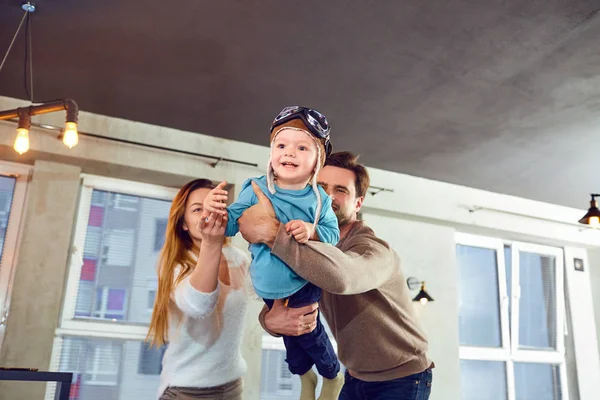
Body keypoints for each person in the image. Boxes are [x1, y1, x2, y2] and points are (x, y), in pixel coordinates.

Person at [237, 151, 434, 400]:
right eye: (320, 186)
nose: (329, 196)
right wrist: (271, 321)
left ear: (358, 203)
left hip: (402, 377)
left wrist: (273, 233)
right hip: (354, 375)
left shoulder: (374, 250)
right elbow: (284, 294)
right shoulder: (309, 246)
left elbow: (342, 278)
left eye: (341, 190)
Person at [203, 106, 343, 399]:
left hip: (304, 281)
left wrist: (311, 230)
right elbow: (233, 223)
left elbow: (332, 235)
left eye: (301, 147)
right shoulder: (255, 188)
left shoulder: (319, 201)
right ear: (271, 153)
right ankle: (304, 377)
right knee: (291, 341)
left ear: (317, 160)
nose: (289, 153)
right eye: (281, 145)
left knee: (309, 331)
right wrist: (216, 212)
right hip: (268, 285)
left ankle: (331, 374)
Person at [146, 179, 250, 400]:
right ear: (183, 223)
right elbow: (199, 306)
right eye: (197, 209)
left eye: (213, 206)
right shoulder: (175, 265)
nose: (208, 214)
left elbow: (270, 294)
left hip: (233, 387)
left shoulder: (239, 259)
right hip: (187, 391)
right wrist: (211, 243)